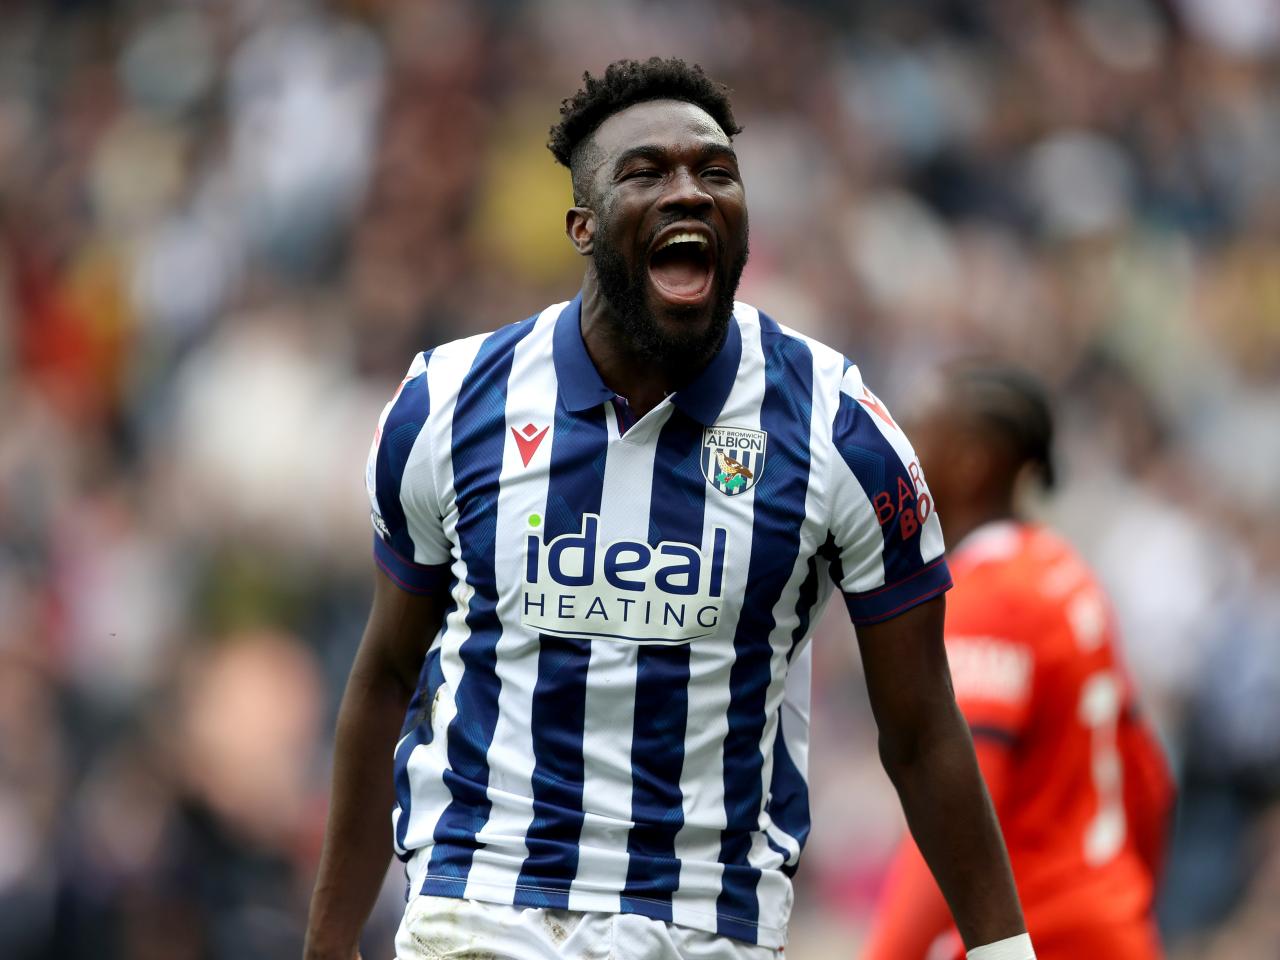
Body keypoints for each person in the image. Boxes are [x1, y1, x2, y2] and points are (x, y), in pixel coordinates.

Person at [304, 58, 1034, 960]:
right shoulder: (447, 404)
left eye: (715, 172)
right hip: (481, 902)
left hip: (702, 923)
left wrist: (1006, 952)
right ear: (582, 225)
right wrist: (329, 944)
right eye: (647, 173)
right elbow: (385, 677)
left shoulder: (840, 429)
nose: (689, 192)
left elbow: (922, 727)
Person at [861, 365, 1175, 960]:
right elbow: (1150, 780)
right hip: (1115, 930)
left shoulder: (994, 599)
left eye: (921, 436)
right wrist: (1121, 901)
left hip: (1046, 936)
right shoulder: (1066, 575)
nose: (902, 454)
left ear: (975, 461)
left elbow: (955, 811)